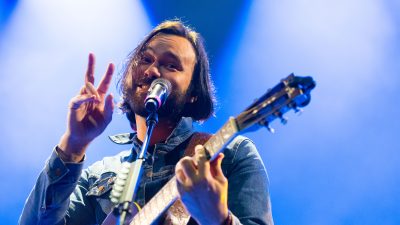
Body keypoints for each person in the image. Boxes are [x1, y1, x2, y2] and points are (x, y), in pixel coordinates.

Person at [19, 20, 273, 225]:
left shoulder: (228, 154)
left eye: (171, 65)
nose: (151, 71)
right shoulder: (99, 174)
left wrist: (218, 220)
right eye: (145, 59)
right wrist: (74, 144)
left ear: (194, 92)